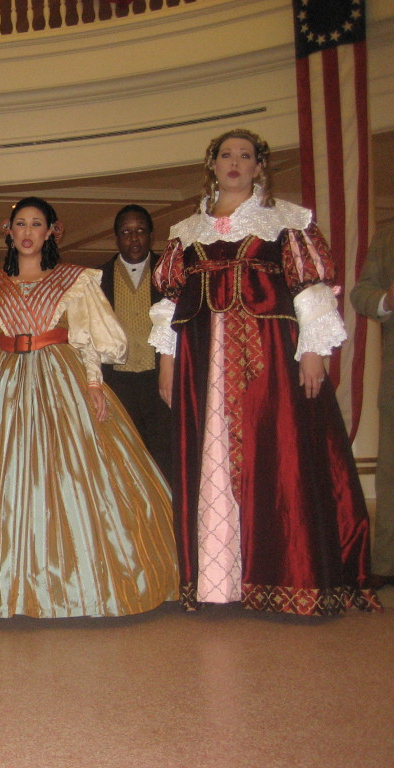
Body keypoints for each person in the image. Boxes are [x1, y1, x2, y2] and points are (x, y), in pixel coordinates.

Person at [149, 128, 378, 615]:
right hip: (202, 358)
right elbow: (169, 304)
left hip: (268, 356)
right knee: (209, 453)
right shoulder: (187, 232)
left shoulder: (286, 221)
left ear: (259, 166)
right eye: (226, 155)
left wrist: (313, 350)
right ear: (211, 165)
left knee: (273, 453)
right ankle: (217, 581)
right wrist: (167, 362)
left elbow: (310, 289)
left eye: (245, 156)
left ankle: (283, 577)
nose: (235, 162)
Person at [0, 197, 177, 619]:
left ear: (51, 231)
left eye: (37, 224)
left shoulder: (73, 281)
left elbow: (89, 335)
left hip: (61, 378)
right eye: (21, 223)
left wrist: (93, 382)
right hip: (1, 381)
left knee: (74, 474)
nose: (27, 231)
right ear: (8, 230)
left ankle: (76, 579)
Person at [99, 205, 172, 478]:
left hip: (160, 378)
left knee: (163, 453)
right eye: (126, 232)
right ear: (116, 237)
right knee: (124, 455)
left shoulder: (170, 272)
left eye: (140, 231)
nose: (134, 238)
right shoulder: (98, 279)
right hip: (118, 382)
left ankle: (168, 515)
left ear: (151, 236)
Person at [349, 222, 394, 588]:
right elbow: (361, 293)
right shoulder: (387, 236)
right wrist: (386, 300)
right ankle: (386, 563)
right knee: (391, 474)